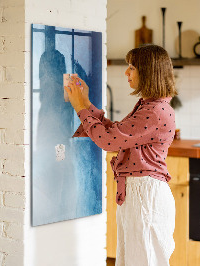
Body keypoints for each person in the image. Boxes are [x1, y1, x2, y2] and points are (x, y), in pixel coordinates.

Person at [64, 44, 178, 266]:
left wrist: (80, 108)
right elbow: (116, 133)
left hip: (145, 196)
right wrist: (86, 103)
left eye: (132, 67)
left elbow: (108, 141)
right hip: (139, 194)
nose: (126, 72)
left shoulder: (154, 111)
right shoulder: (150, 106)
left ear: (148, 72)